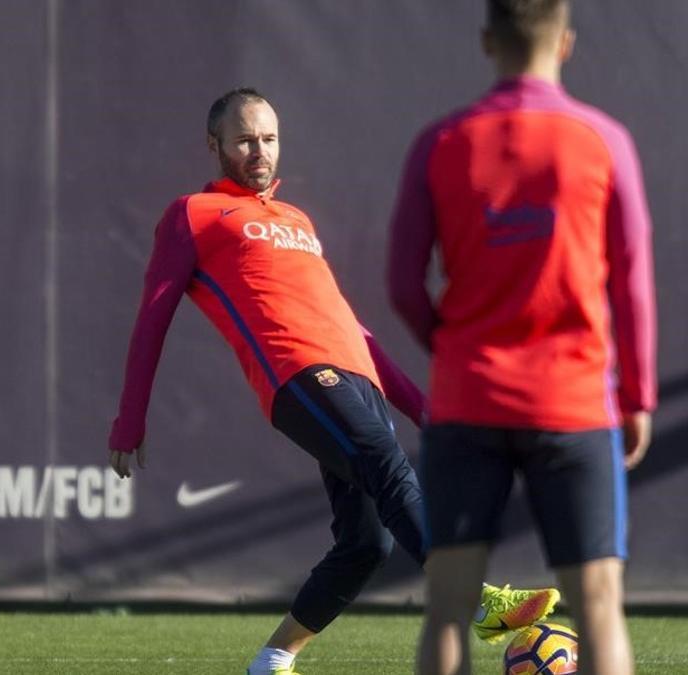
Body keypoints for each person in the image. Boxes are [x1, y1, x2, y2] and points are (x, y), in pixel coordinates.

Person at [108, 88, 558, 675]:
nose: (259, 150)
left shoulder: (295, 219)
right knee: (387, 463)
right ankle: (477, 600)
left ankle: (273, 659)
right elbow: (153, 316)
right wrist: (130, 417)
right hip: (297, 374)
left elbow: (351, 324)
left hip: (354, 375)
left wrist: (423, 408)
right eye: (244, 139)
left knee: (366, 544)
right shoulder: (192, 214)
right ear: (214, 145)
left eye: (268, 138)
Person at [387, 1, 657, 673]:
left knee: (447, 610)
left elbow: (400, 281)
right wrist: (639, 396)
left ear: (487, 41)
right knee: (598, 608)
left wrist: (450, 347)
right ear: (565, 43)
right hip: (571, 401)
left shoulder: (441, 142)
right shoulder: (604, 140)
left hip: (466, 399)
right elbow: (634, 287)